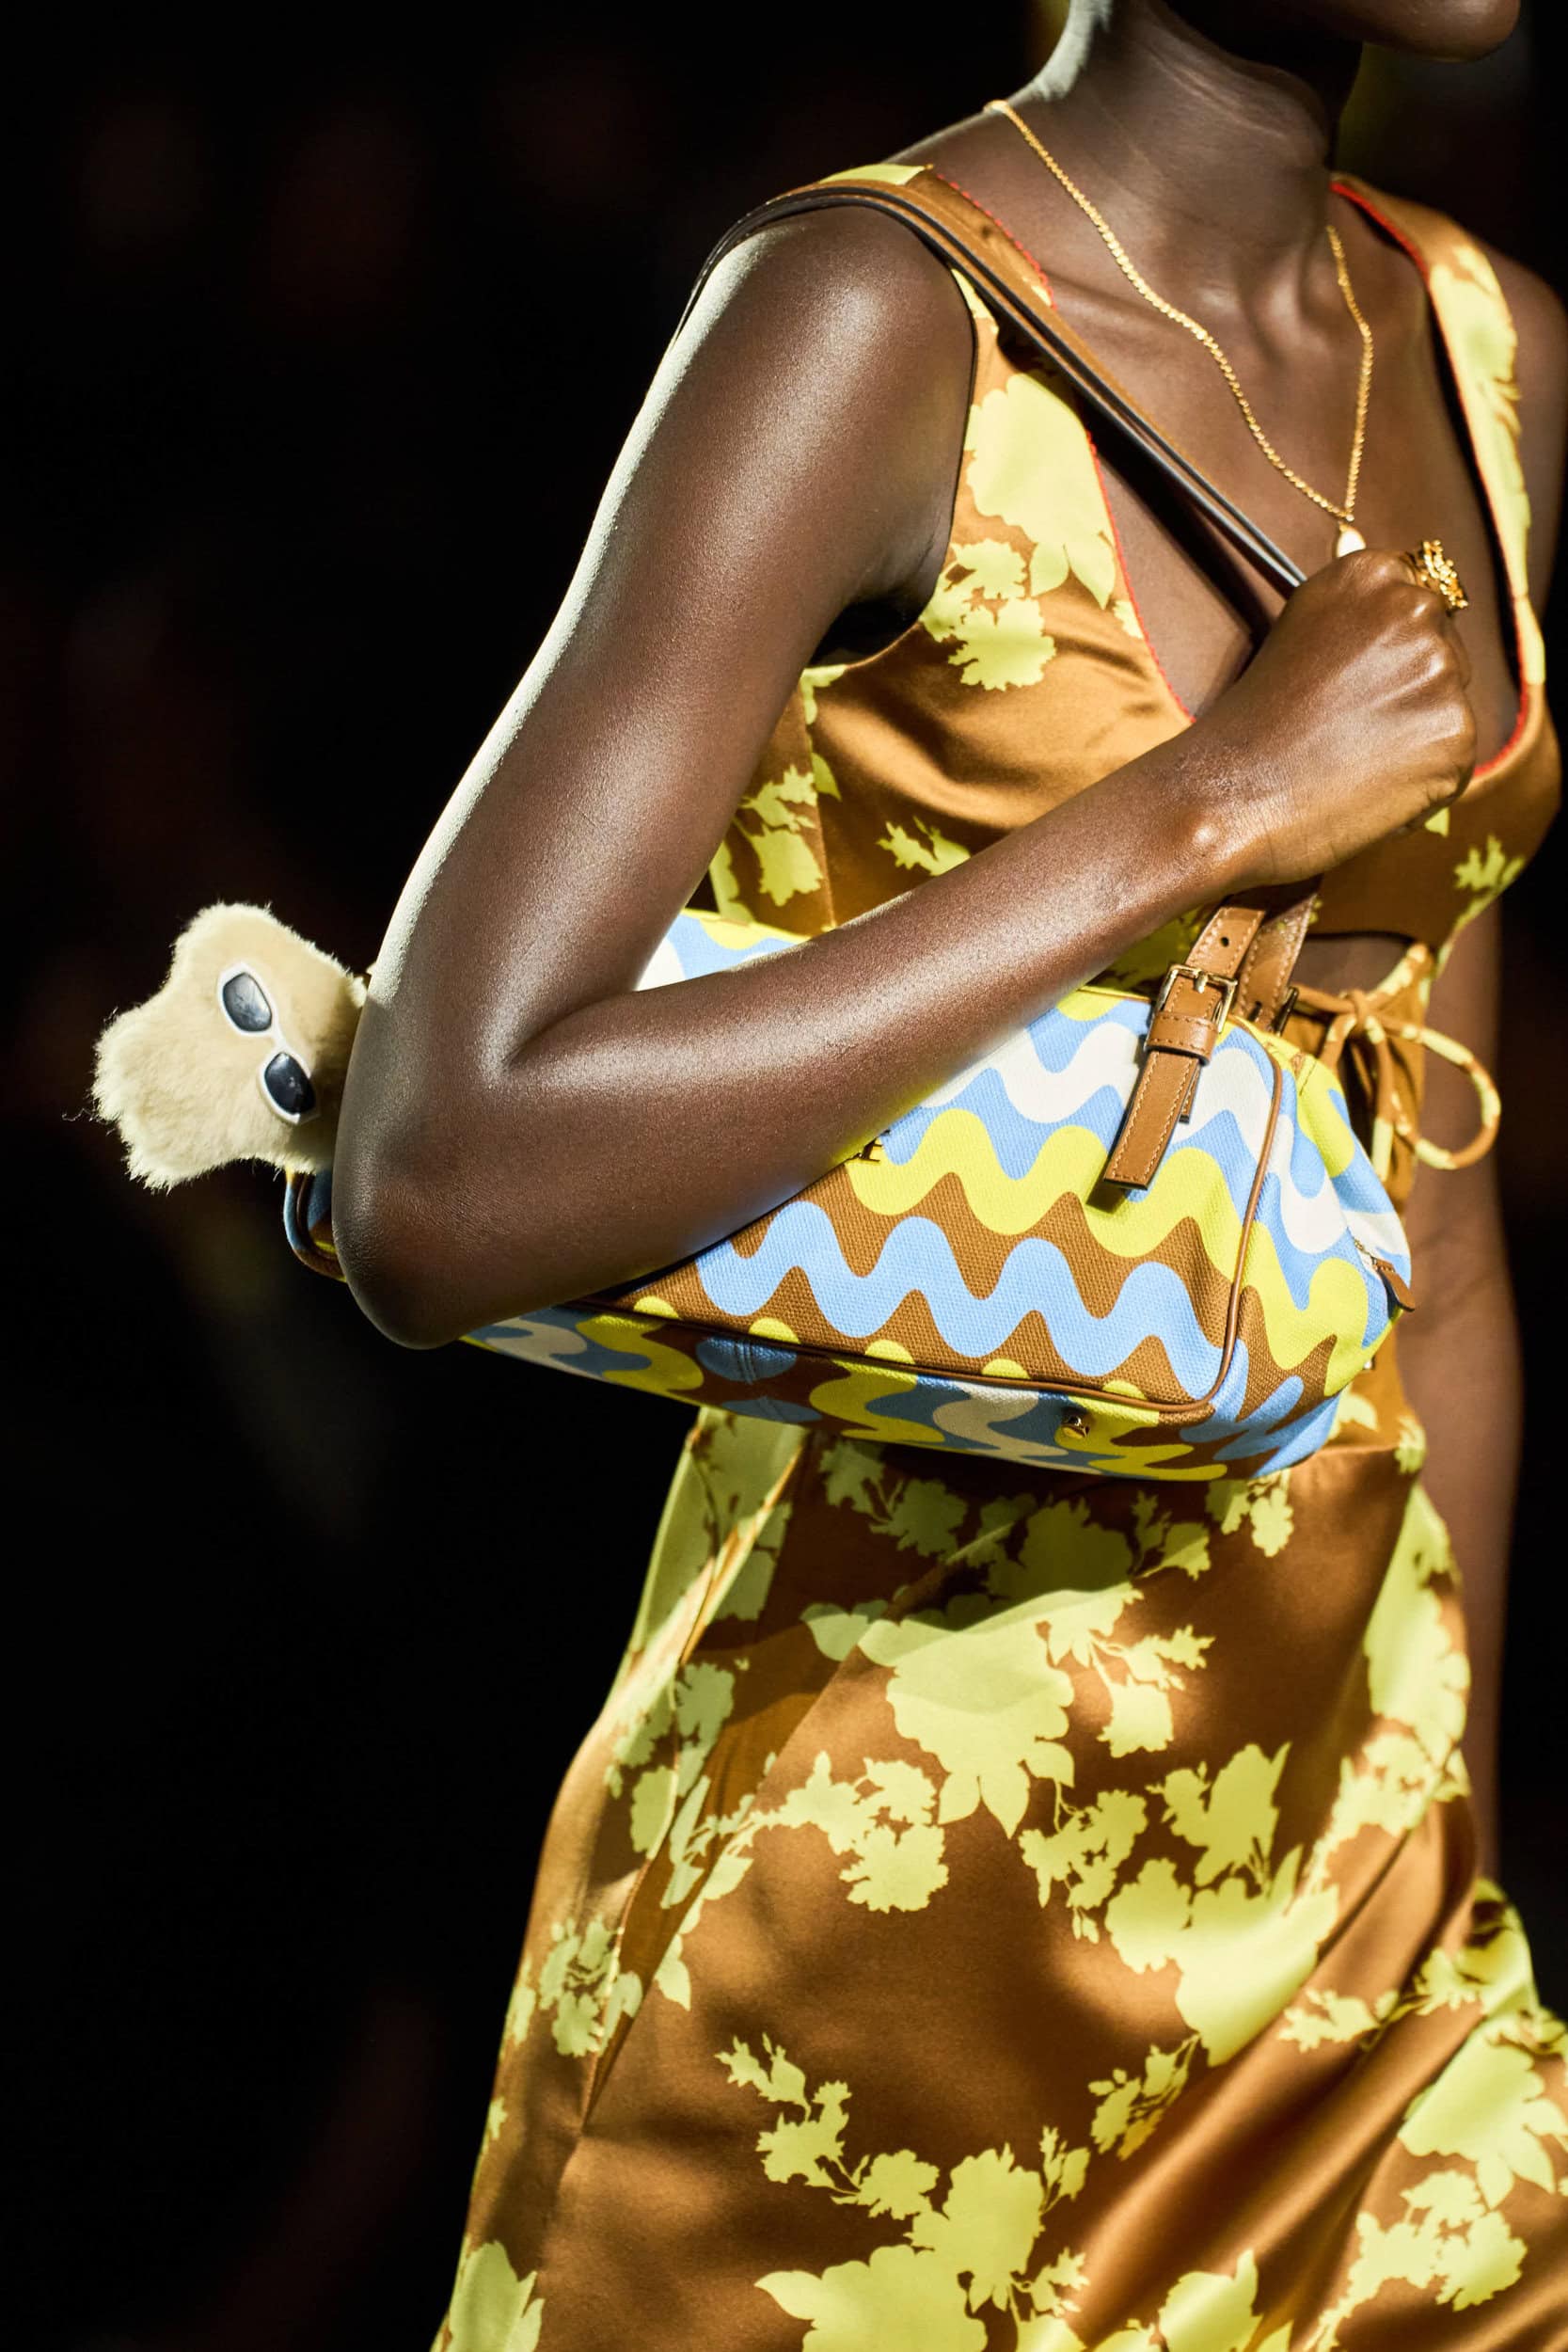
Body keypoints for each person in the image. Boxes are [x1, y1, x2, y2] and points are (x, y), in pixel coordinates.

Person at [332, 2, 1568, 2343]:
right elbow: (435, 1164)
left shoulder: (1487, 349)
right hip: (866, 1977)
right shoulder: (867, 318)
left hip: (1354, 1978)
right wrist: (1201, 809)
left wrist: (1448, 1875)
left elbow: (1440, 1225)